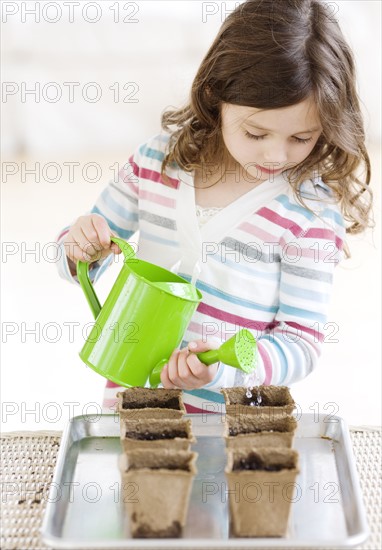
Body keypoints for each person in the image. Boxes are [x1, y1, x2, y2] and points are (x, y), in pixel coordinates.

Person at [56, 0, 372, 413]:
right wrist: (80, 246)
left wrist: (220, 369)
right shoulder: (156, 162)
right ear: (215, 94)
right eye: (256, 133)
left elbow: (300, 344)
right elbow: (77, 262)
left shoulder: (308, 213)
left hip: (231, 422)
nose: (276, 155)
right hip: (134, 406)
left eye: (301, 138)